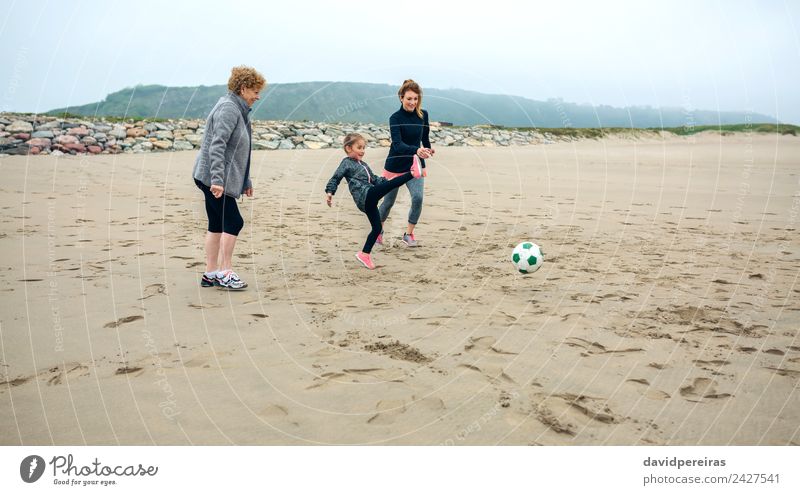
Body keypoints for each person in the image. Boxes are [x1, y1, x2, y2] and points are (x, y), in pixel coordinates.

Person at [192, 65, 265, 290]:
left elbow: (239, 150)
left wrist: (246, 181)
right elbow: (217, 145)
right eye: (255, 91)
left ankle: (210, 273)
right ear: (243, 89)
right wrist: (217, 180)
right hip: (213, 177)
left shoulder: (237, 108)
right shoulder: (229, 109)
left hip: (213, 176)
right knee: (234, 221)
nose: (257, 96)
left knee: (217, 224)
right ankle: (225, 272)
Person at [325, 133, 422, 269]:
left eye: (364, 148)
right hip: (364, 196)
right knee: (390, 186)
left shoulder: (363, 164)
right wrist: (330, 192)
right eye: (359, 147)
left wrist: (386, 181)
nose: (363, 151)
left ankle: (364, 254)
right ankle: (412, 173)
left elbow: (375, 180)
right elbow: (336, 177)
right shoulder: (346, 163)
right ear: (348, 148)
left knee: (377, 228)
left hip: (369, 200)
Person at [377, 79, 435, 247]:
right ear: (401, 98)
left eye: (415, 99)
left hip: (414, 164)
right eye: (409, 98)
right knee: (388, 202)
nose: (412, 102)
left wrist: (428, 150)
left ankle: (408, 235)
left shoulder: (423, 115)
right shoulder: (395, 118)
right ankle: (378, 231)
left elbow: (424, 138)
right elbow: (397, 144)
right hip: (395, 166)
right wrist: (416, 150)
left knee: (417, 198)